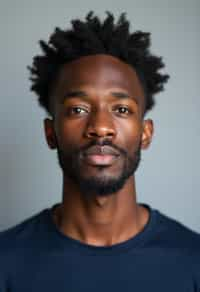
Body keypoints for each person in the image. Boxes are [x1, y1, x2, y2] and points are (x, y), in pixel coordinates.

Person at [0, 11, 199, 292]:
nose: (101, 127)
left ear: (146, 133)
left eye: (121, 109)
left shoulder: (194, 262)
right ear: (50, 132)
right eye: (78, 110)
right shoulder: (5, 262)